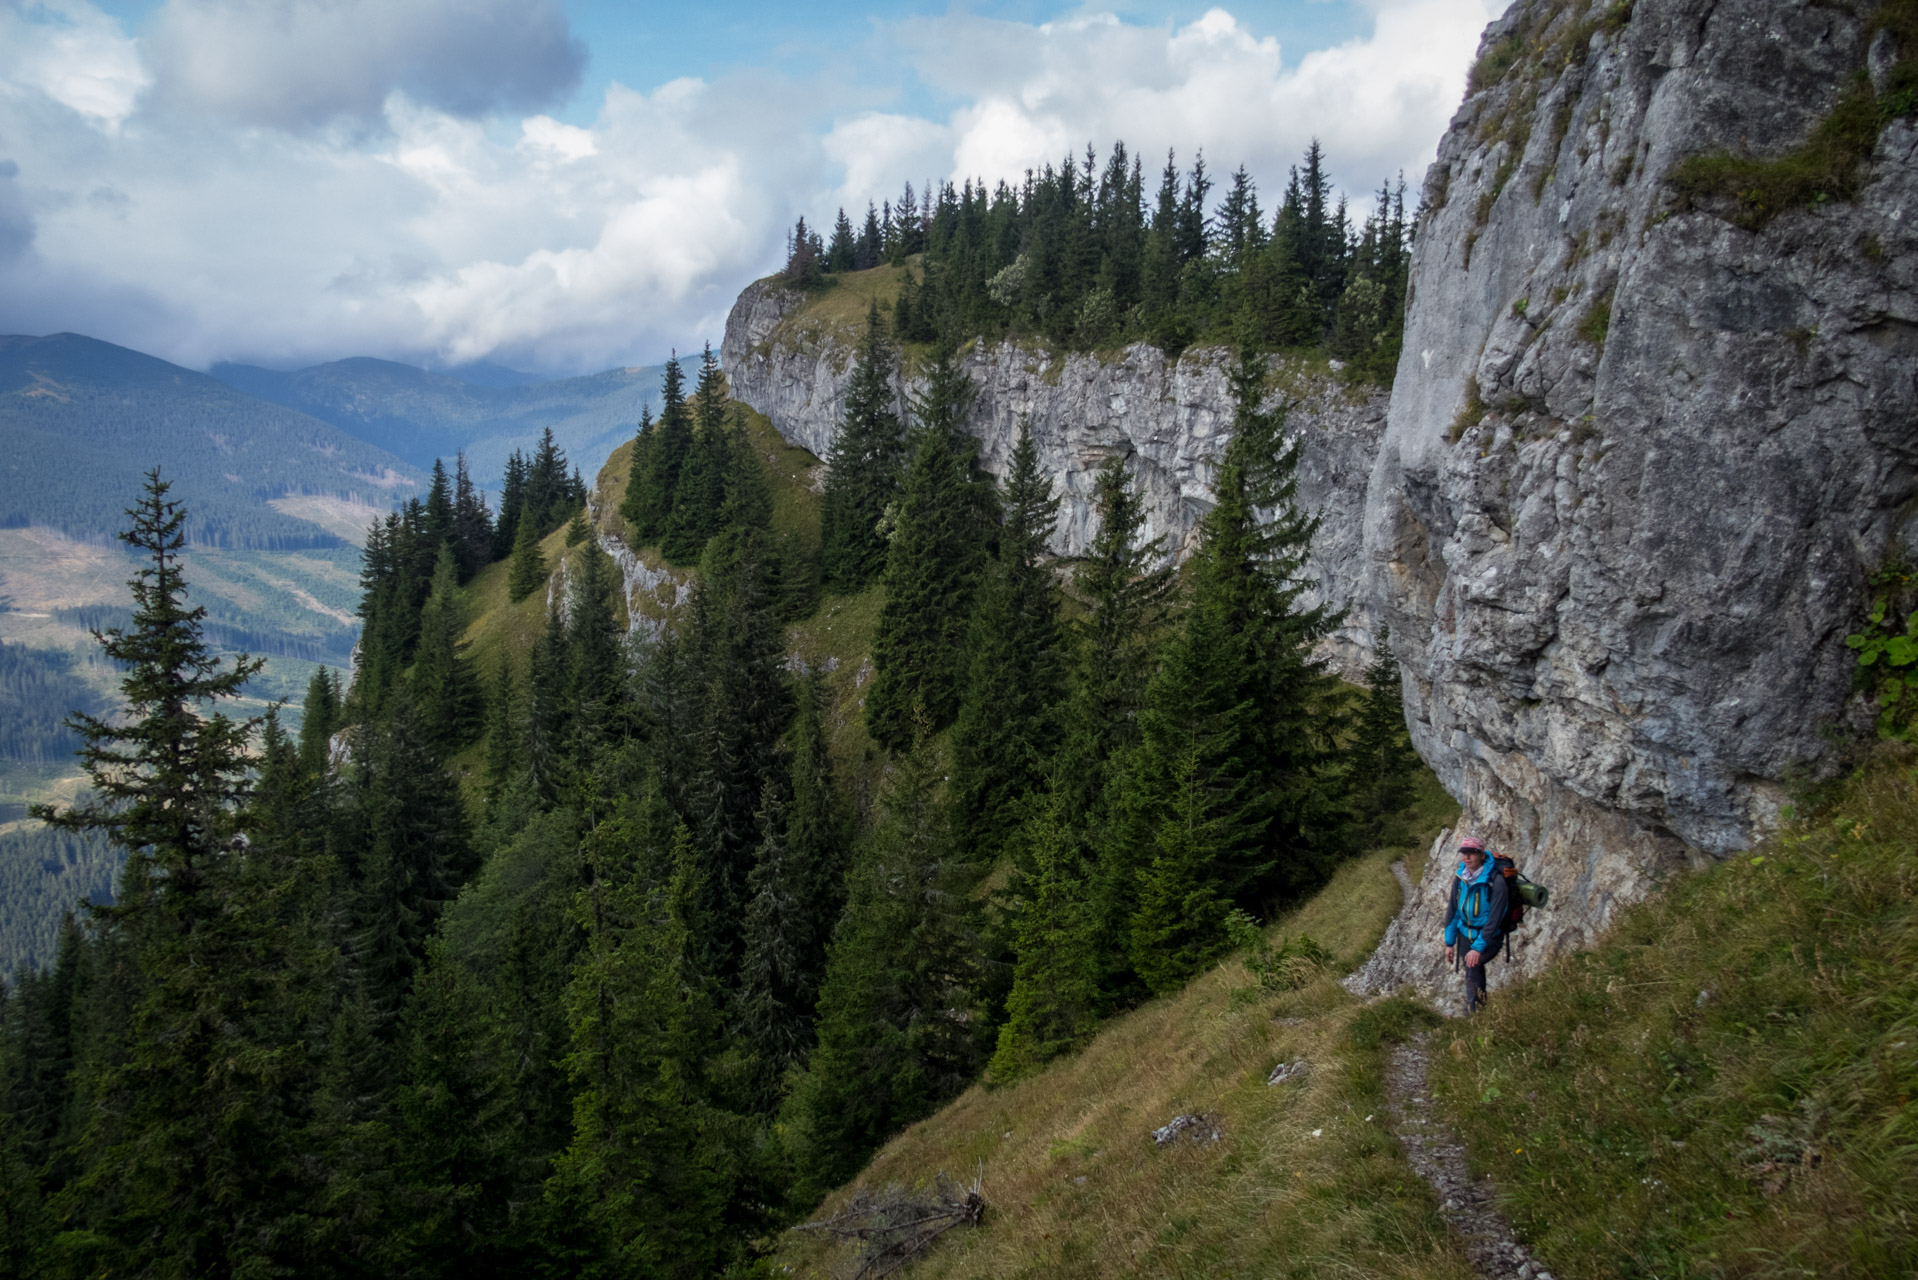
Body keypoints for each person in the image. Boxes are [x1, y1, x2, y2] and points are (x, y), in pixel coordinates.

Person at [1442, 836, 1508, 1015]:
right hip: (1465, 933)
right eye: (1464, 853)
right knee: (1472, 968)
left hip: (1489, 936)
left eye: (1472, 853)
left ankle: (1473, 1012)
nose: (1467, 857)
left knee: (1472, 965)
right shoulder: (1461, 878)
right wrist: (1449, 943)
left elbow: (1495, 919)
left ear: (1481, 855)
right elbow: (1454, 911)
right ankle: (1479, 1009)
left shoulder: (1496, 882)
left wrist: (1479, 947)